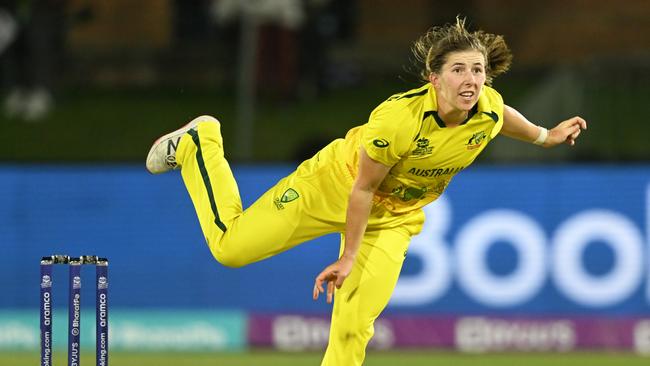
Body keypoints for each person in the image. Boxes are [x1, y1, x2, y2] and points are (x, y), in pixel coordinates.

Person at [145, 17, 586, 365]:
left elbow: (502, 114)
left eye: (477, 70)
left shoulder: (485, 106)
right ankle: (200, 141)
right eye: (458, 70)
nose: (471, 80)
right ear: (434, 78)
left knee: (353, 329)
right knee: (230, 249)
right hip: (331, 188)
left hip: (393, 220)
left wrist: (545, 136)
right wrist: (348, 257)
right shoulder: (397, 121)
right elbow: (362, 189)